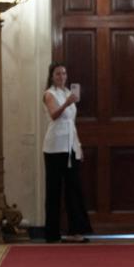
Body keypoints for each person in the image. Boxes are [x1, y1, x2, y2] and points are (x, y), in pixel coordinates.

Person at [42, 63, 93, 243]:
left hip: (70, 147)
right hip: (55, 147)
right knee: (54, 190)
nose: (62, 76)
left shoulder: (67, 93)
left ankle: (75, 230)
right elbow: (55, 114)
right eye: (58, 74)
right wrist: (66, 103)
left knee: (74, 189)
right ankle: (52, 233)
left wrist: (78, 146)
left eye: (64, 73)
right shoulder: (50, 94)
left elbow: (71, 122)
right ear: (52, 76)